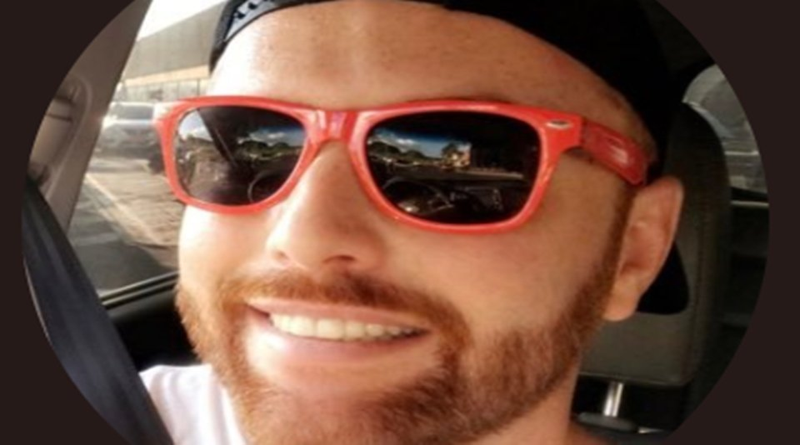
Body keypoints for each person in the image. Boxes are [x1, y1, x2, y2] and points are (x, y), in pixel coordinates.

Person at [142, 0, 684, 444]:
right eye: (243, 147)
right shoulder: (132, 410)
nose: (306, 238)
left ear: (633, 253)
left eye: (446, 163)